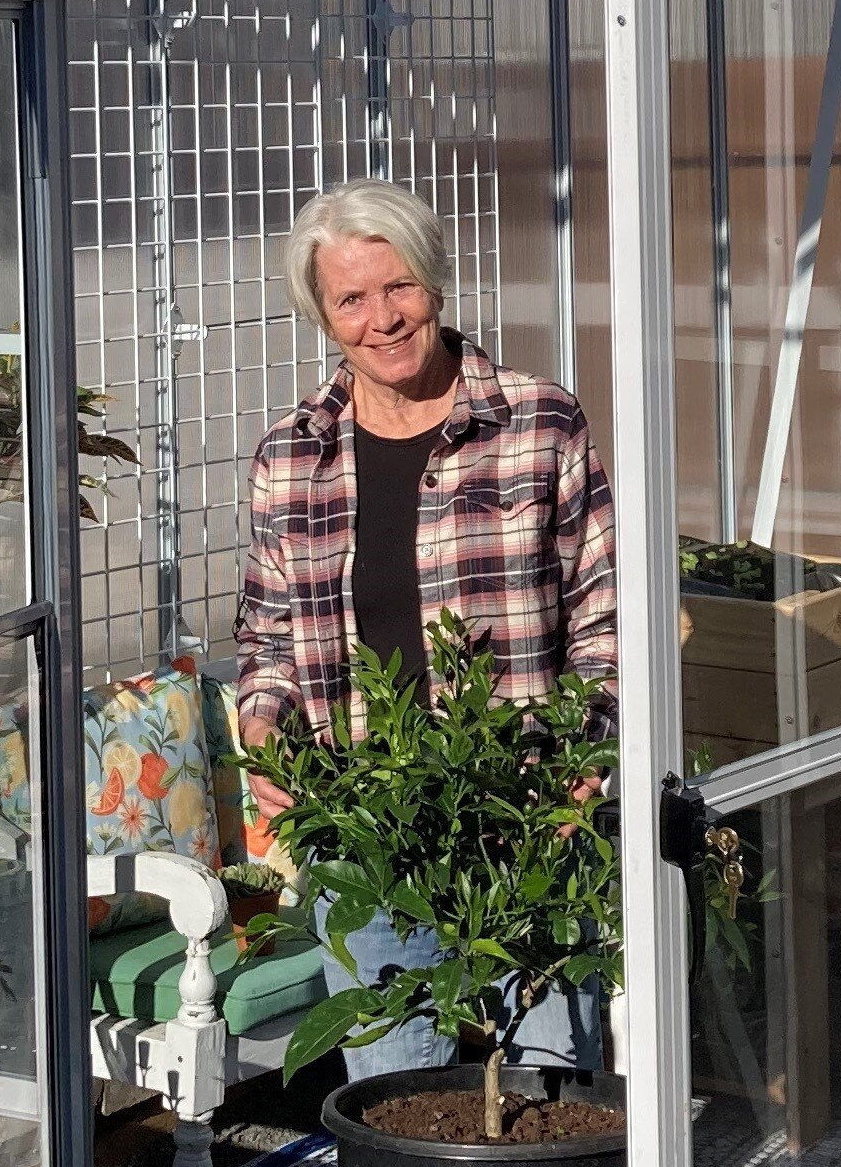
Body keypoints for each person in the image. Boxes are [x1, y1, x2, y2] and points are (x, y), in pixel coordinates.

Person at [234, 180, 614, 1068]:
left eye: (398, 286)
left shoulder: (537, 424)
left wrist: (577, 773)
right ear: (324, 317)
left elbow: (605, 624)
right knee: (399, 1102)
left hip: (527, 822)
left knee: (548, 1093)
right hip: (370, 833)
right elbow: (267, 638)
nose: (384, 318)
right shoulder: (291, 457)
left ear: (436, 284)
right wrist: (261, 725)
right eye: (351, 299)